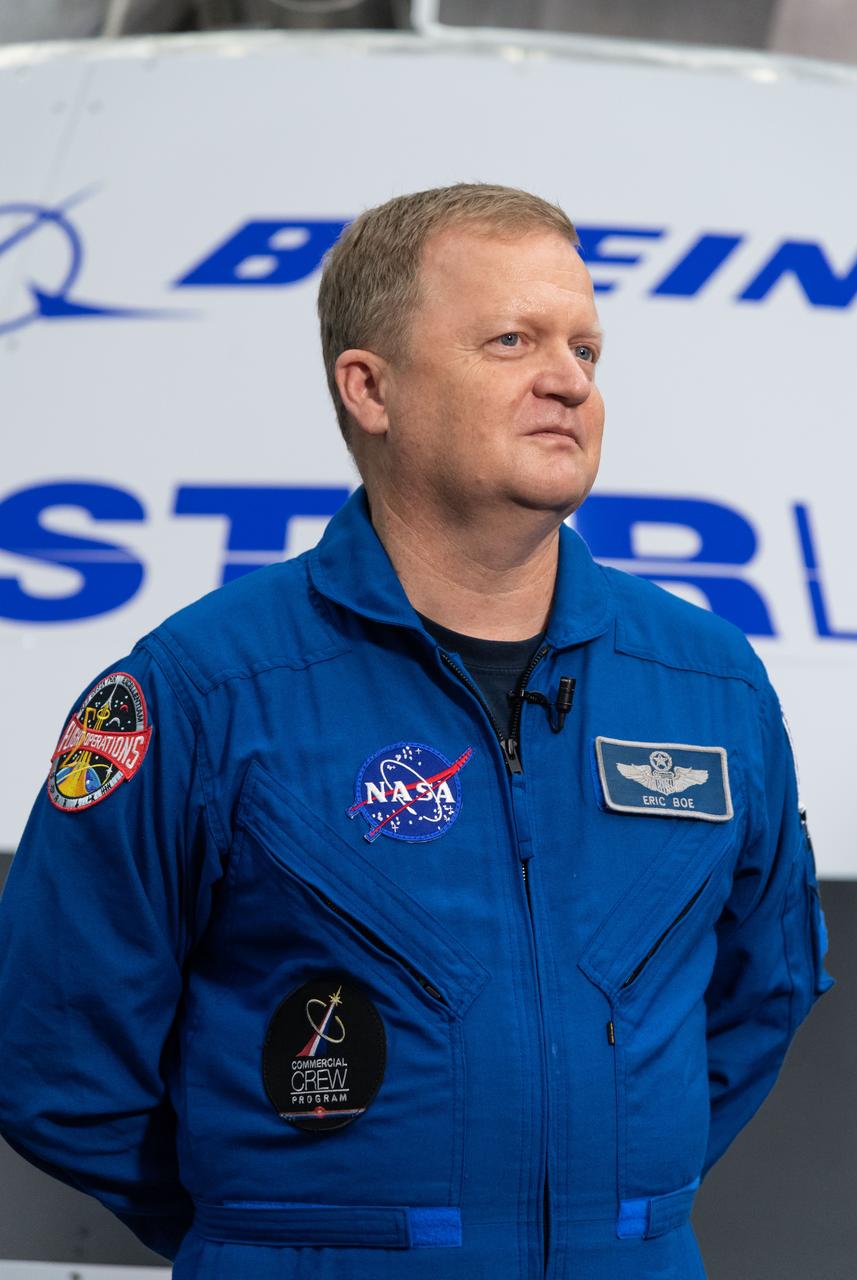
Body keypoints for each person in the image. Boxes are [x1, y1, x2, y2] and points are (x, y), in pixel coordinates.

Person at [0, 183, 834, 1279]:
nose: (568, 378)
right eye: (510, 339)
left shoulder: (705, 683)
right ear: (369, 386)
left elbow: (758, 990)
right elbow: (55, 1055)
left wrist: (599, 1212)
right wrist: (282, 1227)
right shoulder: (203, 689)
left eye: (585, 345)